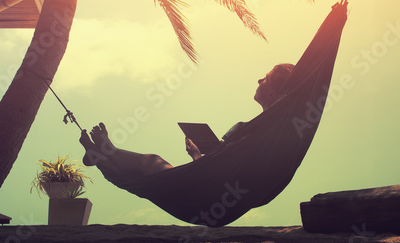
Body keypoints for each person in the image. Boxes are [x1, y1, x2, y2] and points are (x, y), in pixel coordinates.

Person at [78, 63, 295, 179]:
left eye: (265, 79)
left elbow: (225, 171)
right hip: (210, 181)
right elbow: (223, 163)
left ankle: (107, 152)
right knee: (152, 165)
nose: (259, 80)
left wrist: (198, 155)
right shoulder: (263, 127)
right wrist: (197, 154)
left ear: (273, 93)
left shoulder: (268, 129)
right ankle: (105, 155)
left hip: (213, 189)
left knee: (152, 163)